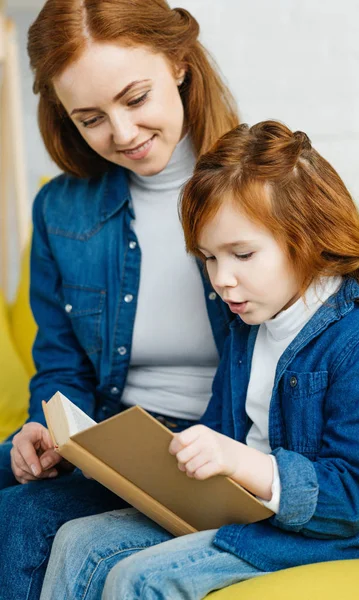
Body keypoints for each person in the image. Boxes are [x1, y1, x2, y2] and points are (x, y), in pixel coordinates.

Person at [39, 120, 359, 600]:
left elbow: (349, 500)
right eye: (209, 258)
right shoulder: (246, 329)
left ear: (309, 236)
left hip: (315, 534)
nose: (222, 279)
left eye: (243, 254)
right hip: (237, 511)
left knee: (142, 578)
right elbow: (219, 431)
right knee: (77, 537)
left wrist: (239, 462)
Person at [0, 1, 240, 598]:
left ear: (180, 63)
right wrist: (42, 425)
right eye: (90, 118)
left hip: (212, 447)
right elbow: (61, 365)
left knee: (25, 519)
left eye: (135, 99)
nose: (123, 134)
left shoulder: (262, 190)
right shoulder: (61, 209)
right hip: (104, 435)